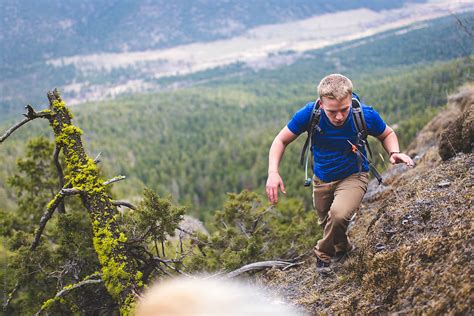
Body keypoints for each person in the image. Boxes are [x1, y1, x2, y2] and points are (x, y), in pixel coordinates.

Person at [265, 74, 414, 272]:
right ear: (321, 103)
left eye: (344, 110)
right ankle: (344, 249)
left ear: (351, 100)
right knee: (327, 221)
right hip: (322, 179)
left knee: (338, 215)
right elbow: (280, 140)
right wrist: (273, 172)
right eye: (332, 111)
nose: (339, 117)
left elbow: (387, 133)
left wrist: (394, 153)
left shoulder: (364, 115)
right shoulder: (309, 114)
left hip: (354, 175)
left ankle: (322, 255)